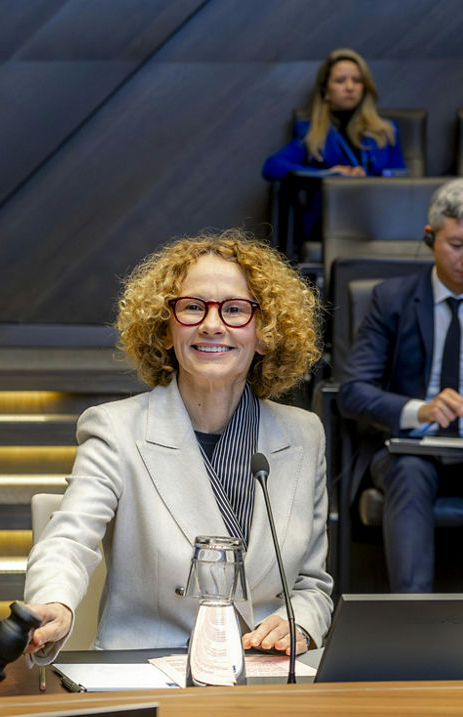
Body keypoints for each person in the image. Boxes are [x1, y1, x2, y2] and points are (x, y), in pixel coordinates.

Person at [23, 231, 333, 661]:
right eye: (192, 307)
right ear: (165, 330)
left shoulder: (304, 434)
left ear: (266, 333)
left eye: (235, 309)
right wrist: (54, 603)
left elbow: (312, 585)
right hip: (144, 671)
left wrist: (299, 624)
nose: (212, 324)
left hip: (264, 672)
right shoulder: (115, 429)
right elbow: (70, 539)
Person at [338, 179, 463, 592]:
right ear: (430, 238)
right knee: (411, 469)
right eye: (457, 245)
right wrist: (418, 410)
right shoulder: (392, 299)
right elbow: (353, 392)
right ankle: (413, 616)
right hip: (409, 448)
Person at [262, 48, 404, 181]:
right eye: (340, 81)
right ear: (325, 91)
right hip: (331, 199)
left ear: (364, 88)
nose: (350, 87)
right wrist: (328, 175)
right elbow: (272, 167)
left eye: (357, 80)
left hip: (376, 198)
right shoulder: (310, 133)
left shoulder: (386, 131)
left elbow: (401, 180)